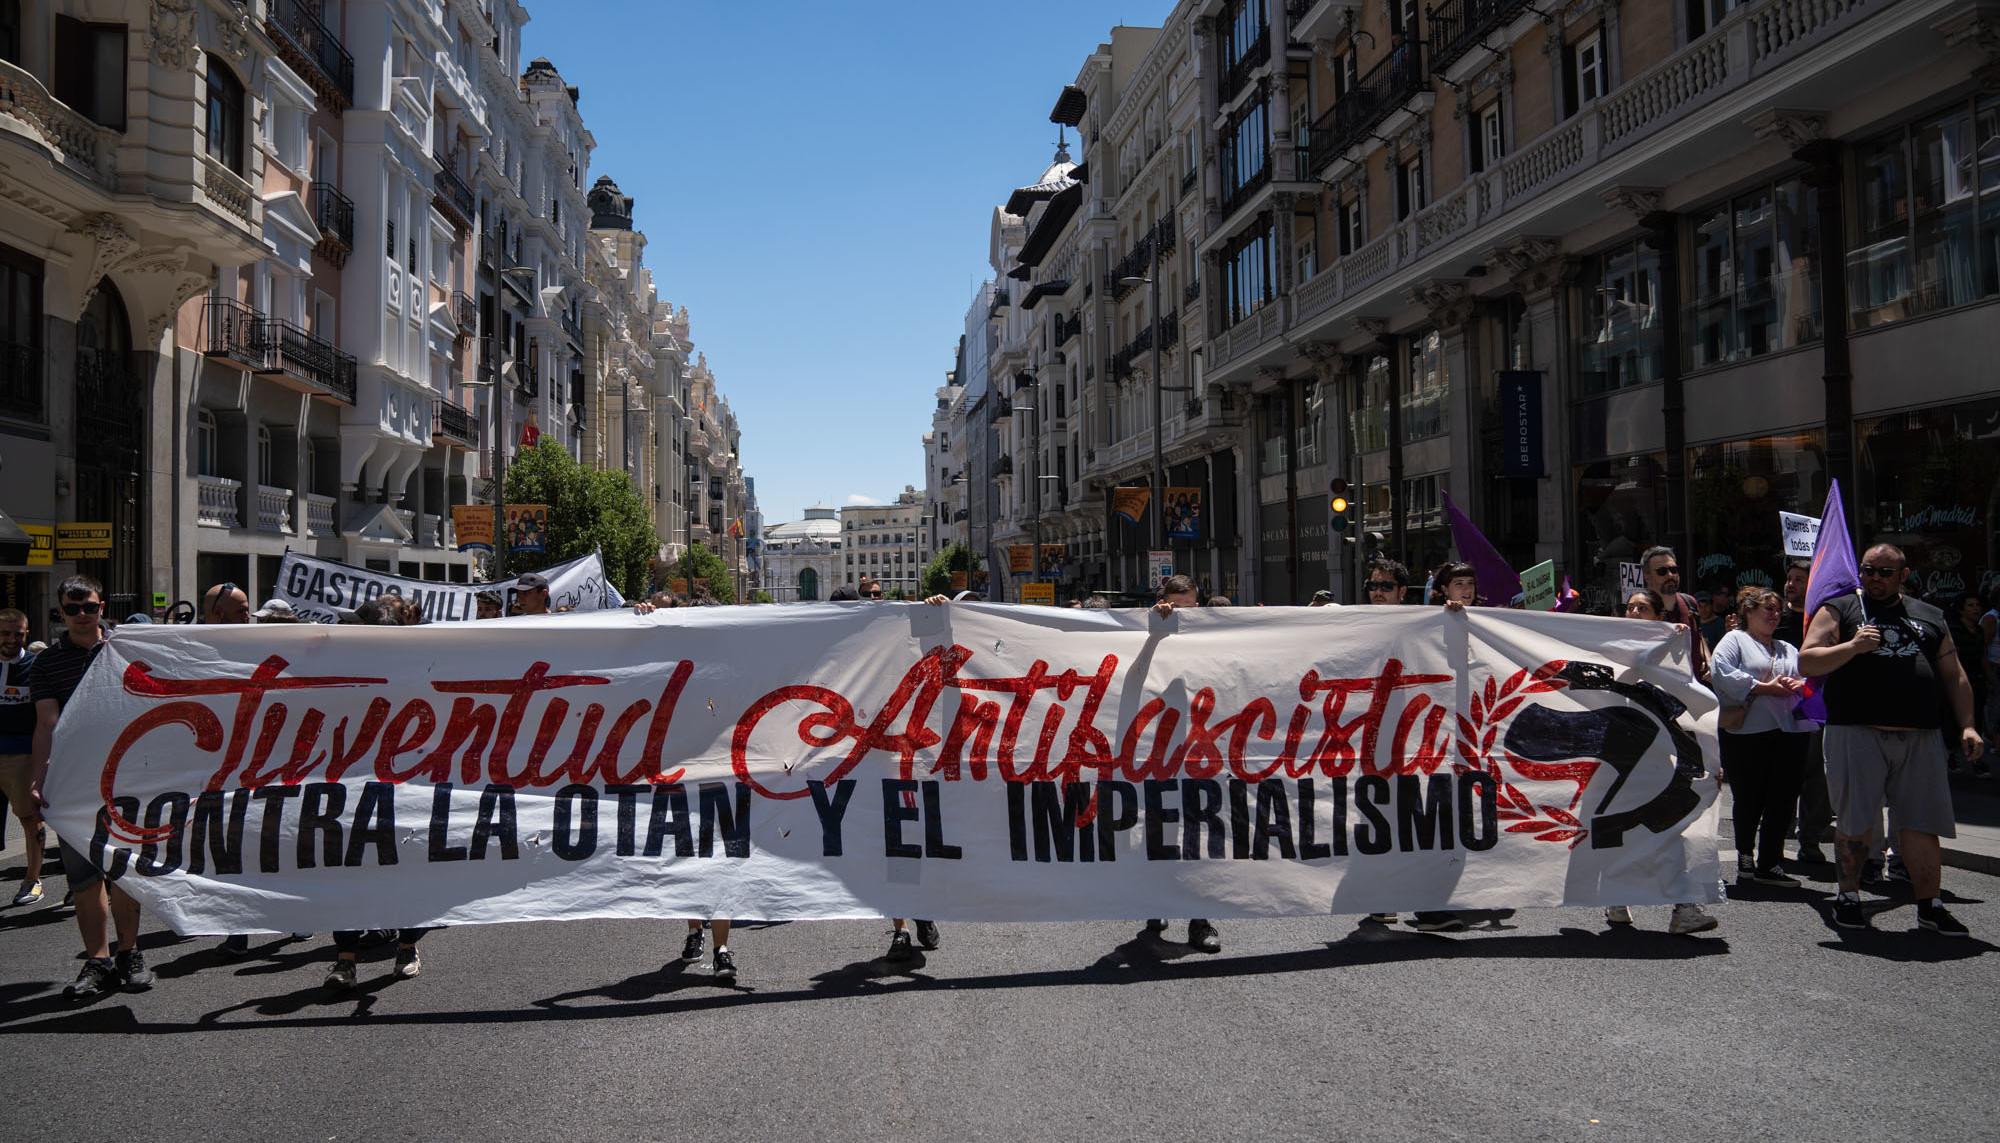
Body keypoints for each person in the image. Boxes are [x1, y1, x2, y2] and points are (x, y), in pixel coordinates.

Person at [1799, 543, 1984, 936]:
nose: (1874, 579)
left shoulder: (1930, 615)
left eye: (1885, 572)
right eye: (1868, 570)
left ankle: (1929, 906)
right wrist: (1852, 646)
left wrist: (1968, 725)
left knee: (1921, 823)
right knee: (1855, 820)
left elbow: (1955, 675)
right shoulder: (1841, 608)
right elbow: (1807, 660)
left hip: (1920, 735)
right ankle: (1848, 897)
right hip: (1856, 731)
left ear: (1903, 576)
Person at [31, 575, 156, 999]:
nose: (82, 615)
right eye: (72, 609)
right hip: (74, 784)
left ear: (103, 607)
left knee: (123, 874)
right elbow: (46, 725)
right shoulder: (47, 663)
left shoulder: (127, 650)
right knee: (85, 880)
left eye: (89, 607)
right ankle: (97, 960)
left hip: (129, 781)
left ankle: (130, 953)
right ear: (61, 613)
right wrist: (39, 779)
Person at [326, 597, 431, 986]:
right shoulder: (342, 674)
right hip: (351, 788)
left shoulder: (413, 678)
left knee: (402, 868)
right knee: (348, 871)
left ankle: (407, 946)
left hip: (402, 790)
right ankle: (345, 959)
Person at [1606, 587, 1721, 934]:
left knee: (1674, 828)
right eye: (1631, 608)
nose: (1635, 613)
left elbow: (1692, 703)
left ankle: (1683, 909)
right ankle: (1615, 900)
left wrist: (1710, 756)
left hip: (1664, 754)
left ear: (1659, 616)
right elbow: (1622, 679)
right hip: (1620, 754)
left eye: (1643, 608)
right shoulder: (1609, 648)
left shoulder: (1675, 652)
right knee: (1622, 830)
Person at [1139, 575, 1222, 953]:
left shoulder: (1210, 636)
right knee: (1158, 830)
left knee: (1200, 834)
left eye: (1192, 607)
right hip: (1156, 747)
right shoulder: (1147, 630)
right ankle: (1155, 902)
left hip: (1201, 748)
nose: (1186, 614)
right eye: (1178, 606)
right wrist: (1157, 625)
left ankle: (1199, 919)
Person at [1712, 587, 1811, 886]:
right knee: (1749, 797)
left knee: (1782, 799)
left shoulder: (1787, 648)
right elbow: (1721, 673)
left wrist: (1798, 684)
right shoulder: (1735, 640)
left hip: (1789, 732)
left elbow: (1808, 677)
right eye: (1767, 608)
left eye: (1777, 609)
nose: (1774, 614)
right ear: (1748, 612)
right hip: (1748, 735)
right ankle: (1745, 858)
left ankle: (1770, 862)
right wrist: (1766, 688)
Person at [0, 608, 45, 906]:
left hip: (21, 756)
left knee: (30, 819)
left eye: (19, 633)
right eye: (5, 633)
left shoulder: (35, 667)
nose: (12, 639)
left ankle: (33, 879)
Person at [1641, 546, 1711, 684]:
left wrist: (1708, 658)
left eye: (1673, 570)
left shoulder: (1690, 602)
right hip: (1659, 691)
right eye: (1662, 571)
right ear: (1647, 576)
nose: (1670, 575)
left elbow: (1698, 634)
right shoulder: (1640, 610)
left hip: (1693, 688)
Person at [1943, 592, 1990, 777]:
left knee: (1975, 719)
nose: (1975, 609)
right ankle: (1951, 756)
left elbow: (1983, 654)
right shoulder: (1953, 630)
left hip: (1976, 680)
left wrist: (1989, 678)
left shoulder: (1979, 630)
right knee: (1952, 720)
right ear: (1961, 609)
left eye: (1977, 605)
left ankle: (1977, 759)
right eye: (1970, 605)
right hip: (1957, 679)